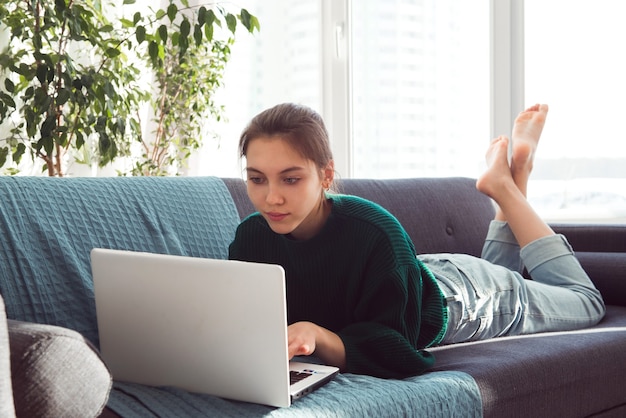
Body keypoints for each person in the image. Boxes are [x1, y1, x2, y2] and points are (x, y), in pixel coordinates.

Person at [228, 102, 605, 379]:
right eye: (257, 178)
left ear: (326, 176)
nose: (270, 198)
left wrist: (319, 336)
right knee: (504, 270)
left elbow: (402, 350)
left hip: (468, 298)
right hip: (422, 275)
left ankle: (505, 187)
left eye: (290, 179)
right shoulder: (250, 238)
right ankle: (516, 172)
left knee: (586, 303)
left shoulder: (373, 229)